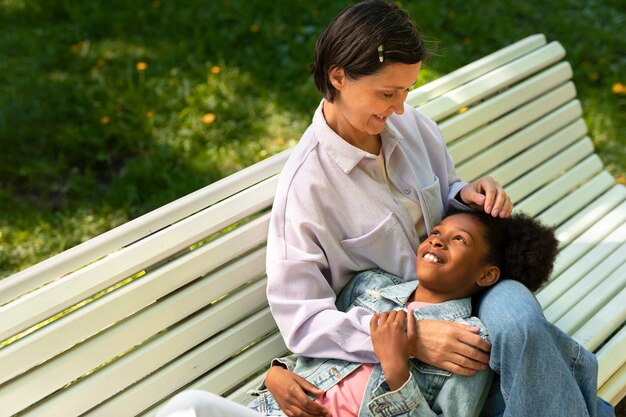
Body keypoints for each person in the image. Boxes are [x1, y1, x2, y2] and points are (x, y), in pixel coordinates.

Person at [262, 1, 615, 417]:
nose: (398, 108)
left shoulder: (411, 126)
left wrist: (466, 195)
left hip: (469, 282)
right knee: (545, 382)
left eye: (406, 91)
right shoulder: (307, 189)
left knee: (519, 322)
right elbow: (302, 319)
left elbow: (444, 190)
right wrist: (414, 337)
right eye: (387, 93)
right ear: (338, 76)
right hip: (406, 340)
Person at [155, 210, 559, 417]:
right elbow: (320, 353)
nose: (437, 241)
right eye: (436, 232)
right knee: (188, 405)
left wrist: (398, 370)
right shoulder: (370, 287)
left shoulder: (469, 343)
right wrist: (276, 374)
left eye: (459, 240)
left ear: (486, 273)